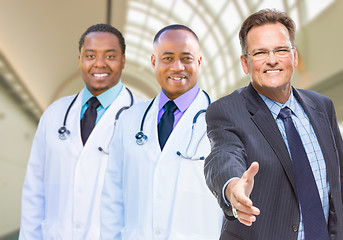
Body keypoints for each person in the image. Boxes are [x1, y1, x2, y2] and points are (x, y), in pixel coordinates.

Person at [204, 9, 343, 240]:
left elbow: (337, 182)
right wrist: (233, 188)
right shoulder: (227, 111)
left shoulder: (322, 106)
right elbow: (223, 155)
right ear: (245, 63)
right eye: (260, 53)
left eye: (281, 50)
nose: (272, 60)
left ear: (294, 57)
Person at [101, 24, 222, 239]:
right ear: (154, 62)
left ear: (199, 62)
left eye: (186, 58)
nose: (177, 67)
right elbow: (112, 198)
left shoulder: (223, 121)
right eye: (167, 58)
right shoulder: (129, 120)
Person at [19, 24, 140, 239]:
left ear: (123, 60)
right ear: (79, 61)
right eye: (90, 55)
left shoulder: (142, 120)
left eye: (110, 56)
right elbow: (34, 191)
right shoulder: (54, 115)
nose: (99, 64)